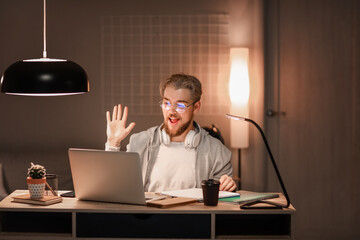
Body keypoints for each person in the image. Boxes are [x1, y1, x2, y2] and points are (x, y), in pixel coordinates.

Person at [105, 73, 236, 192]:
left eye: (180, 106)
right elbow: (114, 187)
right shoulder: (139, 142)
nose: (171, 111)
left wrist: (227, 188)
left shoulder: (217, 152)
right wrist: (113, 143)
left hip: (192, 218)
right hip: (148, 217)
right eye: (166, 103)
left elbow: (221, 205)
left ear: (196, 107)